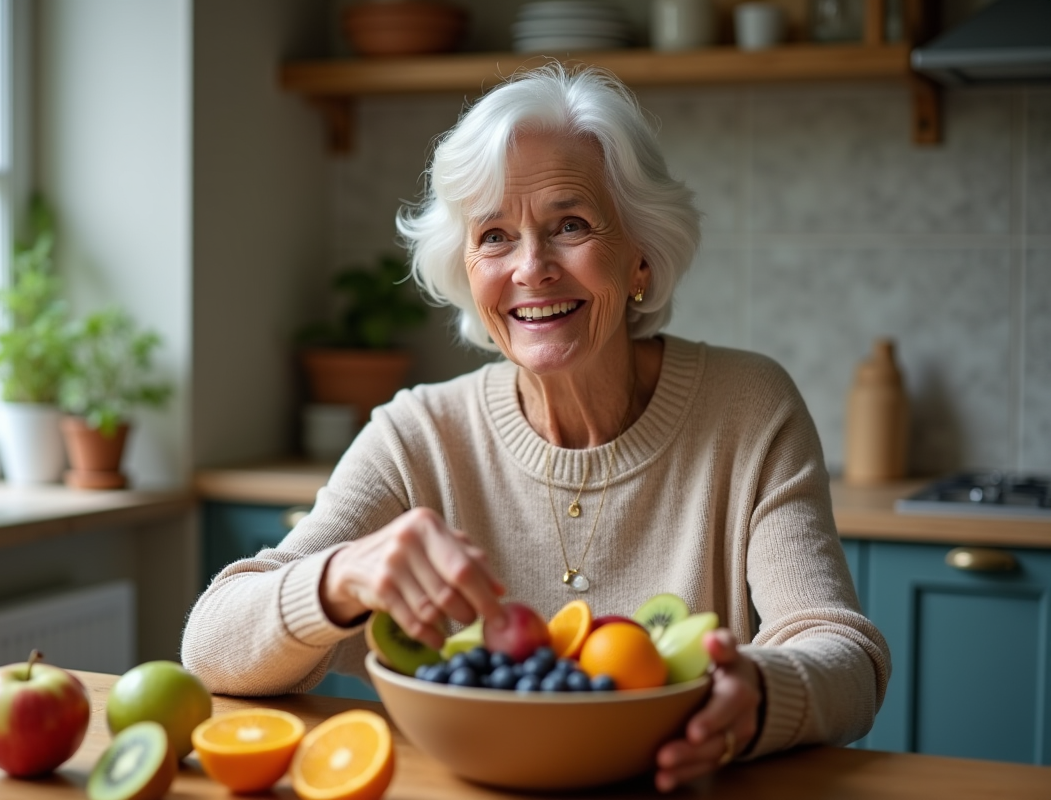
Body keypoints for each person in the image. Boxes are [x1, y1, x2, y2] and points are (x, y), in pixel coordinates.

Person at [182, 63, 890, 792]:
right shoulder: (418, 433)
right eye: (494, 236)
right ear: (466, 271)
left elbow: (843, 655)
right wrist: (340, 577)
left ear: (640, 255)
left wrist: (756, 695)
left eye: (571, 225)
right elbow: (210, 647)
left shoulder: (748, 407)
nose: (531, 268)